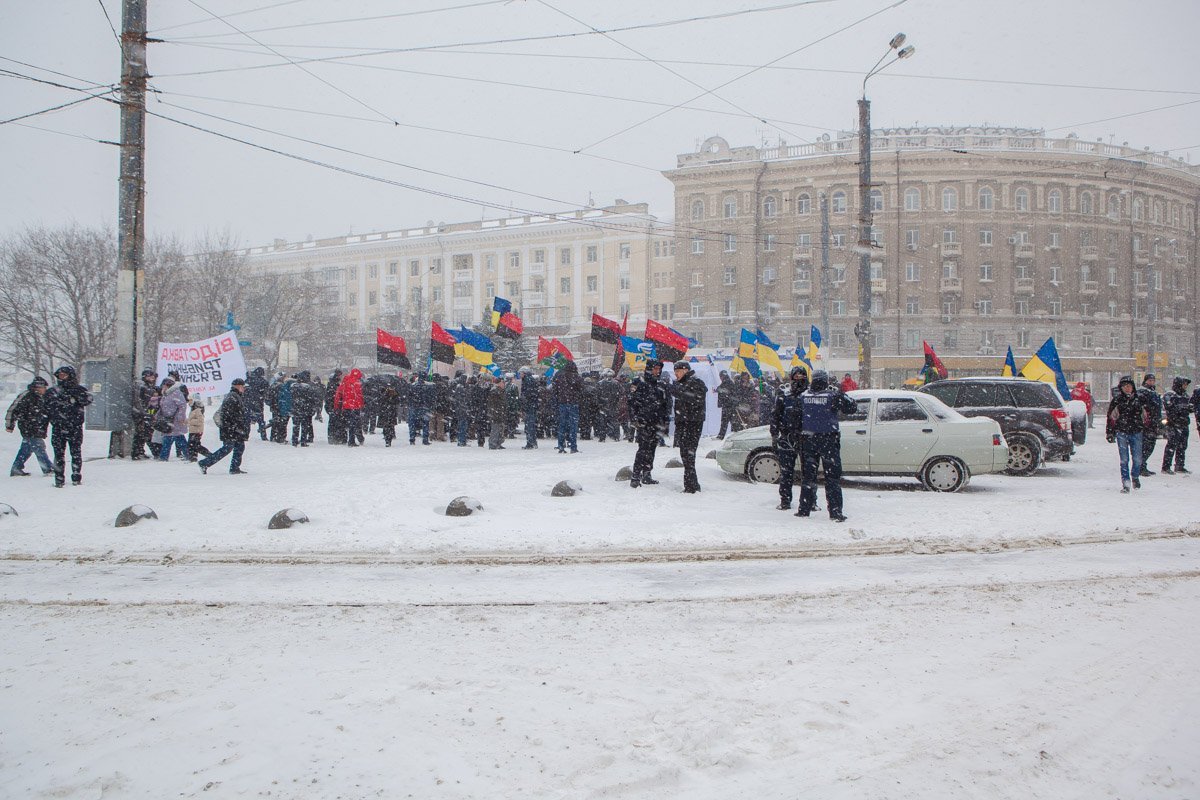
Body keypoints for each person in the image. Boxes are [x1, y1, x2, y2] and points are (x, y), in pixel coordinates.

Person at [796, 370, 857, 521]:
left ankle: (804, 509)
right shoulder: (833, 396)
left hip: (808, 440)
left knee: (808, 477)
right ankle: (835, 512)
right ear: (826, 381)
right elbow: (851, 407)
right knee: (832, 478)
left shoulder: (803, 396)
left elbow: (795, 417)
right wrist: (840, 393)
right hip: (829, 440)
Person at [44, 365, 92, 487]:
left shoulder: (79, 390)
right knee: (59, 454)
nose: (62, 378)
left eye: (64, 375)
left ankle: (76, 476)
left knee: (75, 453)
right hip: (58, 427)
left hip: (75, 427)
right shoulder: (52, 392)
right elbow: (46, 409)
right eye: (60, 375)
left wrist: (75, 396)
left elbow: (88, 400)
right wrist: (45, 424)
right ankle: (59, 478)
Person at [770, 367, 809, 510]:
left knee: (808, 473)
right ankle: (785, 500)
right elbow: (775, 416)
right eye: (796, 376)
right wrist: (774, 434)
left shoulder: (810, 395)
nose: (799, 378)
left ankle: (810, 501)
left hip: (806, 438)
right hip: (787, 438)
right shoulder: (784, 395)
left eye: (802, 375)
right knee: (786, 472)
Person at [628, 359, 669, 488]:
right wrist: (634, 419)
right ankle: (635, 476)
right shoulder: (639, 382)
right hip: (643, 422)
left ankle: (647, 474)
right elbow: (632, 402)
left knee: (652, 449)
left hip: (656, 422)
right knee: (643, 449)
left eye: (659, 369)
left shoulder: (660, 384)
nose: (657, 371)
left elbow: (665, 404)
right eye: (655, 369)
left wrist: (665, 421)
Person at [1106, 375, 1150, 492]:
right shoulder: (1117, 400)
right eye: (1124, 386)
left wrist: (1147, 429)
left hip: (1137, 432)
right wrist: (1110, 432)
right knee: (1124, 459)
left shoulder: (1139, 400)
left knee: (1137, 459)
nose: (1127, 388)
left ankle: (1135, 476)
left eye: (1129, 386)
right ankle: (1126, 482)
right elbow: (1111, 418)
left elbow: (1146, 416)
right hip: (1122, 432)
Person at [671, 361, 708, 493]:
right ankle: (692, 484)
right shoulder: (682, 384)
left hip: (692, 424)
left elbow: (695, 399)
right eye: (675, 372)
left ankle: (691, 486)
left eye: (678, 371)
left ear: (685, 370)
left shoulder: (696, 382)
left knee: (688, 455)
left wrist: (678, 391)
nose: (676, 374)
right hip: (684, 423)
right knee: (685, 455)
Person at [199, 379, 250, 475]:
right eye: (243, 387)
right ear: (238, 386)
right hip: (230, 429)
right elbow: (228, 415)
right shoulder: (232, 397)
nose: (244, 389)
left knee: (239, 446)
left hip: (233, 428)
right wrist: (234, 427)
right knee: (227, 448)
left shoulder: (235, 396)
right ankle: (205, 463)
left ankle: (234, 468)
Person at [6, 376, 52, 477]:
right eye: (44, 387)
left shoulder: (42, 398)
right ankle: (48, 468)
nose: (45, 389)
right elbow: (13, 410)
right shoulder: (26, 396)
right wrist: (10, 425)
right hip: (28, 427)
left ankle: (16, 468)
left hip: (36, 427)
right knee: (38, 447)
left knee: (27, 448)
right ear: (37, 387)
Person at [1160, 376, 1193, 474]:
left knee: (1183, 446)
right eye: (1184, 384)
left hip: (1184, 424)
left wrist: (1189, 408)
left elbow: (1189, 408)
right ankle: (1166, 467)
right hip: (1173, 424)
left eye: (1186, 384)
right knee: (1171, 445)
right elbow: (1170, 408)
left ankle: (1179, 465)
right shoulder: (1170, 395)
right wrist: (1183, 409)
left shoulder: (1185, 396)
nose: (1185, 386)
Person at [552, 360, 583, 453]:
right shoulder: (577, 377)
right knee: (573, 426)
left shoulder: (559, 377)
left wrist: (558, 399)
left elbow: (555, 390)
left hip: (562, 403)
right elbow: (581, 391)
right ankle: (573, 446)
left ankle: (561, 445)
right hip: (573, 403)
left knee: (562, 425)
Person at [156, 377, 190, 461]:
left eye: (163, 385)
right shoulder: (166, 394)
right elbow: (162, 406)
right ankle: (188, 455)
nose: (162, 387)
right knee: (176, 437)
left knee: (172, 437)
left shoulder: (176, 393)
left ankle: (164, 457)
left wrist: (180, 417)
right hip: (168, 420)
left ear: (167, 385)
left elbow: (182, 405)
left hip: (175, 420)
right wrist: (158, 415)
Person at [1137, 374, 1163, 477]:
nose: (1151, 382)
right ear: (1145, 381)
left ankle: (1143, 465)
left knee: (1150, 445)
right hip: (1146, 424)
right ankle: (1140, 466)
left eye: (1153, 380)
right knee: (1145, 446)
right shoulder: (1142, 392)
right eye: (1150, 380)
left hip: (1153, 423)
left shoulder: (1153, 393)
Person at [334, 368, 365, 446]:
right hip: (355, 406)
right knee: (355, 424)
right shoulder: (358, 383)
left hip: (346, 406)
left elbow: (338, 394)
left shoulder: (345, 382)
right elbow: (360, 396)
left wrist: (336, 405)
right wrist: (362, 405)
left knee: (348, 423)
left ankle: (346, 439)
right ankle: (353, 440)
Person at [131, 369, 158, 459]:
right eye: (151, 376)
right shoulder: (142, 386)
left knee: (142, 434)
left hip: (143, 413)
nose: (153, 378)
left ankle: (139, 451)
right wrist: (145, 413)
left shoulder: (147, 386)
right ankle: (136, 453)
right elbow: (140, 401)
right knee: (141, 434)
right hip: (140, 414)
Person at [290, 371, 320, 447]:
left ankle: (294, 441)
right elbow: (312, 398)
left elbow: (291, 397)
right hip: (305, 409)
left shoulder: (293, 386)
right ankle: (303, 441)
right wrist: (312, 407)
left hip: (295, 408)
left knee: (296, 426)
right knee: (304, 426)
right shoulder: (308, 387)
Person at [244, 367, 270, 441]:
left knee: (247, 420)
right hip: (258, 402)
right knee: (261, 420)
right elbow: (266, 392)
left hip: (247, 402)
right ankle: (263, 436)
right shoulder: (263, 381)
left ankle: (245, 435)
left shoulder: (248, 380)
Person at [519, 367, 540, 449]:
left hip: (530, 406)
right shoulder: (530, 379)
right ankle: (533, 442)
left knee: (529, 425)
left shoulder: (527, 380)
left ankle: (530, 443)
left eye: (521, 373)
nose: (520, 374)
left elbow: (528, 393)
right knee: (531, 425)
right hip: (532, 405)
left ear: (524, 373)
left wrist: (523, 401)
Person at [487, 375, 507, 449]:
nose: (504, 384)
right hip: (495, 413)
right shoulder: (495, 391)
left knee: (500, 429)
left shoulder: (501, 391)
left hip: (500, 413)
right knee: (495, 429)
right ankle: (493, 444)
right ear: (499, 383)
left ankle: (498, 443)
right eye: (503, 382)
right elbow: (494, 404)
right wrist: (496, 412)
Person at [378, 383, 401, 447]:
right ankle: (388, 439)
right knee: (387, 427)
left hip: (389, 413)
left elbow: (397, 402)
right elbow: (381, 401)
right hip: (387, 413)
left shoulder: (395, 395)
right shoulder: (385, 393)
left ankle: (388, 440)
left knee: (388, 427)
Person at [716, 371, 736, 438]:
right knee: (731, 421)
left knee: (725, 421)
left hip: (728, 405)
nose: (720, 378)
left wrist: (718, 389)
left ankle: (721, 435)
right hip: (729, 405)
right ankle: (734, 434)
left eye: (720, 376)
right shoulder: (729, 382)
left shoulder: (726, 383)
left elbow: (724, 391)